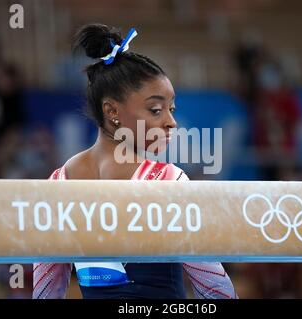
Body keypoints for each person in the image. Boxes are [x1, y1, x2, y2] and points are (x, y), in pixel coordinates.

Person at [33, 23, 237, 299]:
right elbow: (213, 286)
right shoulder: (167, 182)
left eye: (171, 109)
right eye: (156, 109)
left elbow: (47, 292)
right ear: (112, 110)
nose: (171, 122)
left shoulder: (58, 184)